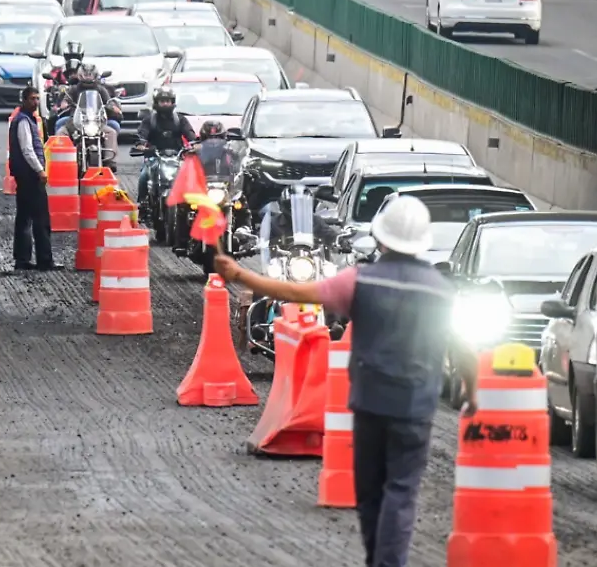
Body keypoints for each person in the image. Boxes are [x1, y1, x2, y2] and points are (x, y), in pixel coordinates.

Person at [213, 195, 479, 567]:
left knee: (370, 491)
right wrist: (471, 389)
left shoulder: (360, 281)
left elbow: (294, 292)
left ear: (381, 239)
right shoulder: (440, 291)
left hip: (369, 402)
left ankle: (379, 561)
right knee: (401, 491)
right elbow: (463, 347)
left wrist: (240, 275)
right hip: (415, 407)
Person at [8, 86, 61, 271]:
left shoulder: (26, 120)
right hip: (30, 176)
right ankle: (44, 260)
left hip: (24, 176)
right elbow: (27, 150)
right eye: (32, 99)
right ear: (23, 100)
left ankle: (22, 259)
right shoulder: (23, 121)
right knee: (40, 219)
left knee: (23, 218)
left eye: (37, 98)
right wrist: (40, 170)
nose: (36, 102)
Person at [133, 85, 196, 215]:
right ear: (156, 102)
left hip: (176, 156)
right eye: (162, 101)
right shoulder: (149, 120)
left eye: (168, 101)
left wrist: (195, 144)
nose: (165, 104)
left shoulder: (180, 119)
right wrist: (141, 144)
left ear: (173, 102)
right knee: (144, 176)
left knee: (190, 177)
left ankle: (191, 207)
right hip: (155, 156)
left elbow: (190, 134)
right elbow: (142, 134)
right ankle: (143, 206)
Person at [258, 183, 341, 250]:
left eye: (301, 205)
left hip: (311, 262)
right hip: (280, 264)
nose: (297, 208)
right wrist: (252, 243)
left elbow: (331, 236)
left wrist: (341, 241)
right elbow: (260, 240)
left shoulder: (316, 221)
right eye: (291, 205)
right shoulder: (273, 223)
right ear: (282, 206)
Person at [53, 64, 123, 133]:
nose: (88, 77)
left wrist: (113, 106)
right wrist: (64, 103)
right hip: (76, 120)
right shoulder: (74, 88)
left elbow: (109, 101)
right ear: (80, 75)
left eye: (90, 75)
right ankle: (60, 143)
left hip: (98, 119)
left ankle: (110, 143)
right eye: (85, 75)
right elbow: (67, 98)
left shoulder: (101, 89)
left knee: (114, 125)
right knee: (60, 124)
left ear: (95, 75)